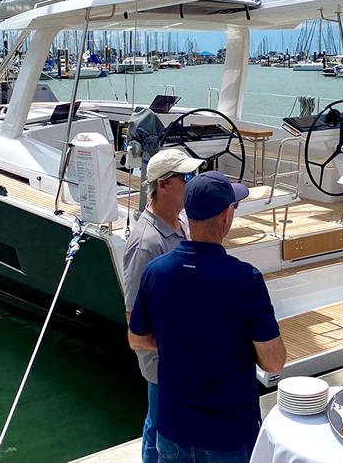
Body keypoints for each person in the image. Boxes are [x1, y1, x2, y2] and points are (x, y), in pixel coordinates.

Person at [128, 171, 286, 463]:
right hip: (229, 434)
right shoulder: (245, 279)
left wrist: (180, 344)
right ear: (226, 216)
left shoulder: (156, 272)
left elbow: (137, 339)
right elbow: (274, 361)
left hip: (173, 429)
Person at [122, 148, 204, 463]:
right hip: (163, 360)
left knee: (164, 422)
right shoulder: (147, 243)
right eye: (187, 177)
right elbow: (133, 315)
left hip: (180, 352)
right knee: (158, 425)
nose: (192, 182)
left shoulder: (179, 223)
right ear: (163, 185)